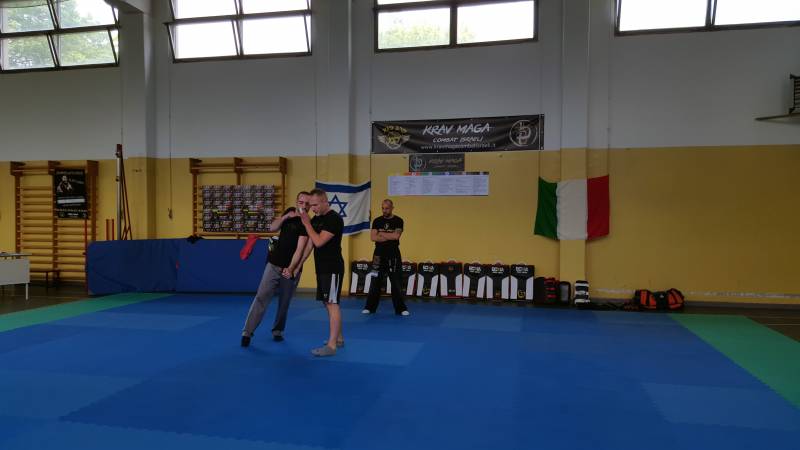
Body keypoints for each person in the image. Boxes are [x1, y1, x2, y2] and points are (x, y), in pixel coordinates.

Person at [241, 191, 311, 347]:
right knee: (261, 296)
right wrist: (286, 217)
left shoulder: (307, 224)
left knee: (284, 302)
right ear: (297, 202)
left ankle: (278, 330)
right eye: (301, 202)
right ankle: (247, 332)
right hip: (273, 264)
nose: (304, 206)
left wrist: (291, 268)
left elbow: (300, 249)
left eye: (307, 203)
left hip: (291, 269)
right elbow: (272, 227)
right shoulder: (289, 213)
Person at [299, 188, 344, 357]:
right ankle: (338, 338)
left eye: (316, 205)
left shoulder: (334, 219)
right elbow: (310, 244)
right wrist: (298, 264)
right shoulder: (317, 219)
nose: (313, 209)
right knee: (327, 303)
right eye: (311, 205)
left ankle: (331, 346)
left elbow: (318, 242)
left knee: (332, 303)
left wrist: (307, 224)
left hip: (332, 268)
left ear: (325, 201)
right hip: (321, 268)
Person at [363, 199, 409, 316]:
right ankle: (369, 307)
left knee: (396, 281)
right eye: (383, 208)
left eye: (387, 208)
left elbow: (396, 236)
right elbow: (373, 237)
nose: (384, 210)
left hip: (393, 255)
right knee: (375, 280)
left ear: (392, 208)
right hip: (378, 255)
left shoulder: (398, 220)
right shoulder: (377, 221)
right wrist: (389, 236)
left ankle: (400, 309)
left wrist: (381, 233)